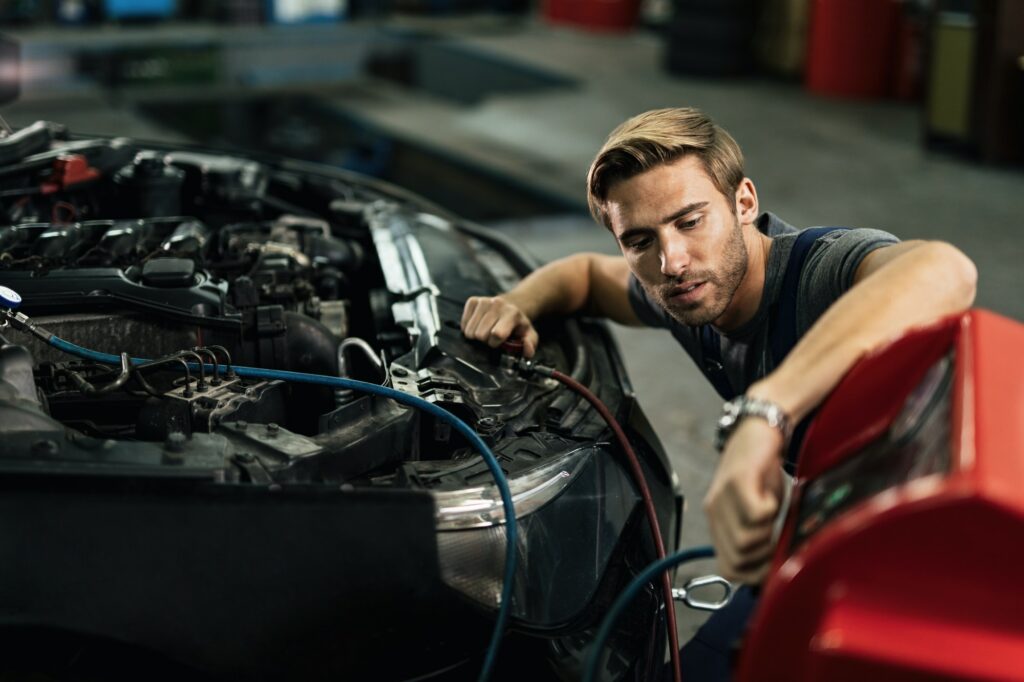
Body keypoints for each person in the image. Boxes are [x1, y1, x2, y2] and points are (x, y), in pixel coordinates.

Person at [460, 108, 976, 675]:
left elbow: (944, 269)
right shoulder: (686, 294)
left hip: (961, 574)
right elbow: (582, 274)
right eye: (640, 240)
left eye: (690, 221)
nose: (672, 262)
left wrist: (763, 416)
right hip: (849, 542)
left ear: (744, 203)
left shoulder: (816, 272)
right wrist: (518, 304)